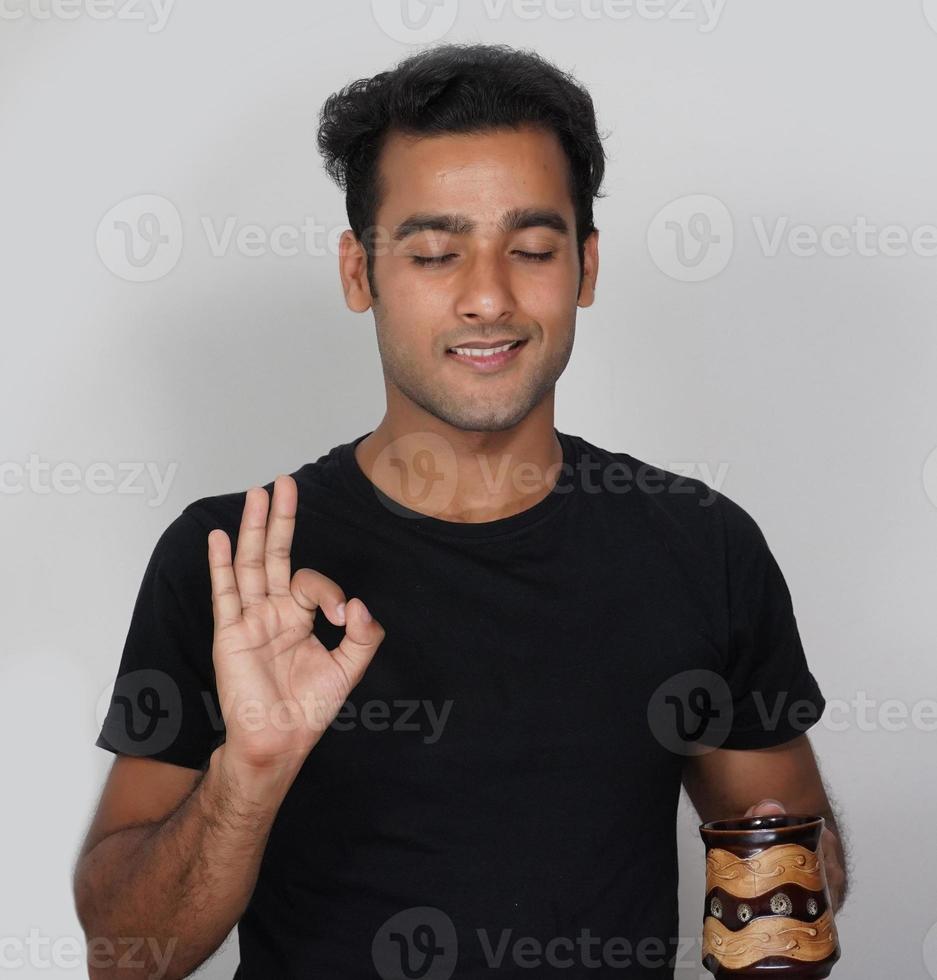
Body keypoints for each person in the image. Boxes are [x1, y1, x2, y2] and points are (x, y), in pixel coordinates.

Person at [73, 42, 848, 979]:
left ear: (586, 268)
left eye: (531, 249)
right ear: (359, 274)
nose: (487, 296)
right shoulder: (237, 561)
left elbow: (780, 885)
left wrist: (780, 863)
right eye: (436, 252)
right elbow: (124, 955)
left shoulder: (702, 546)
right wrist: (249, 775)